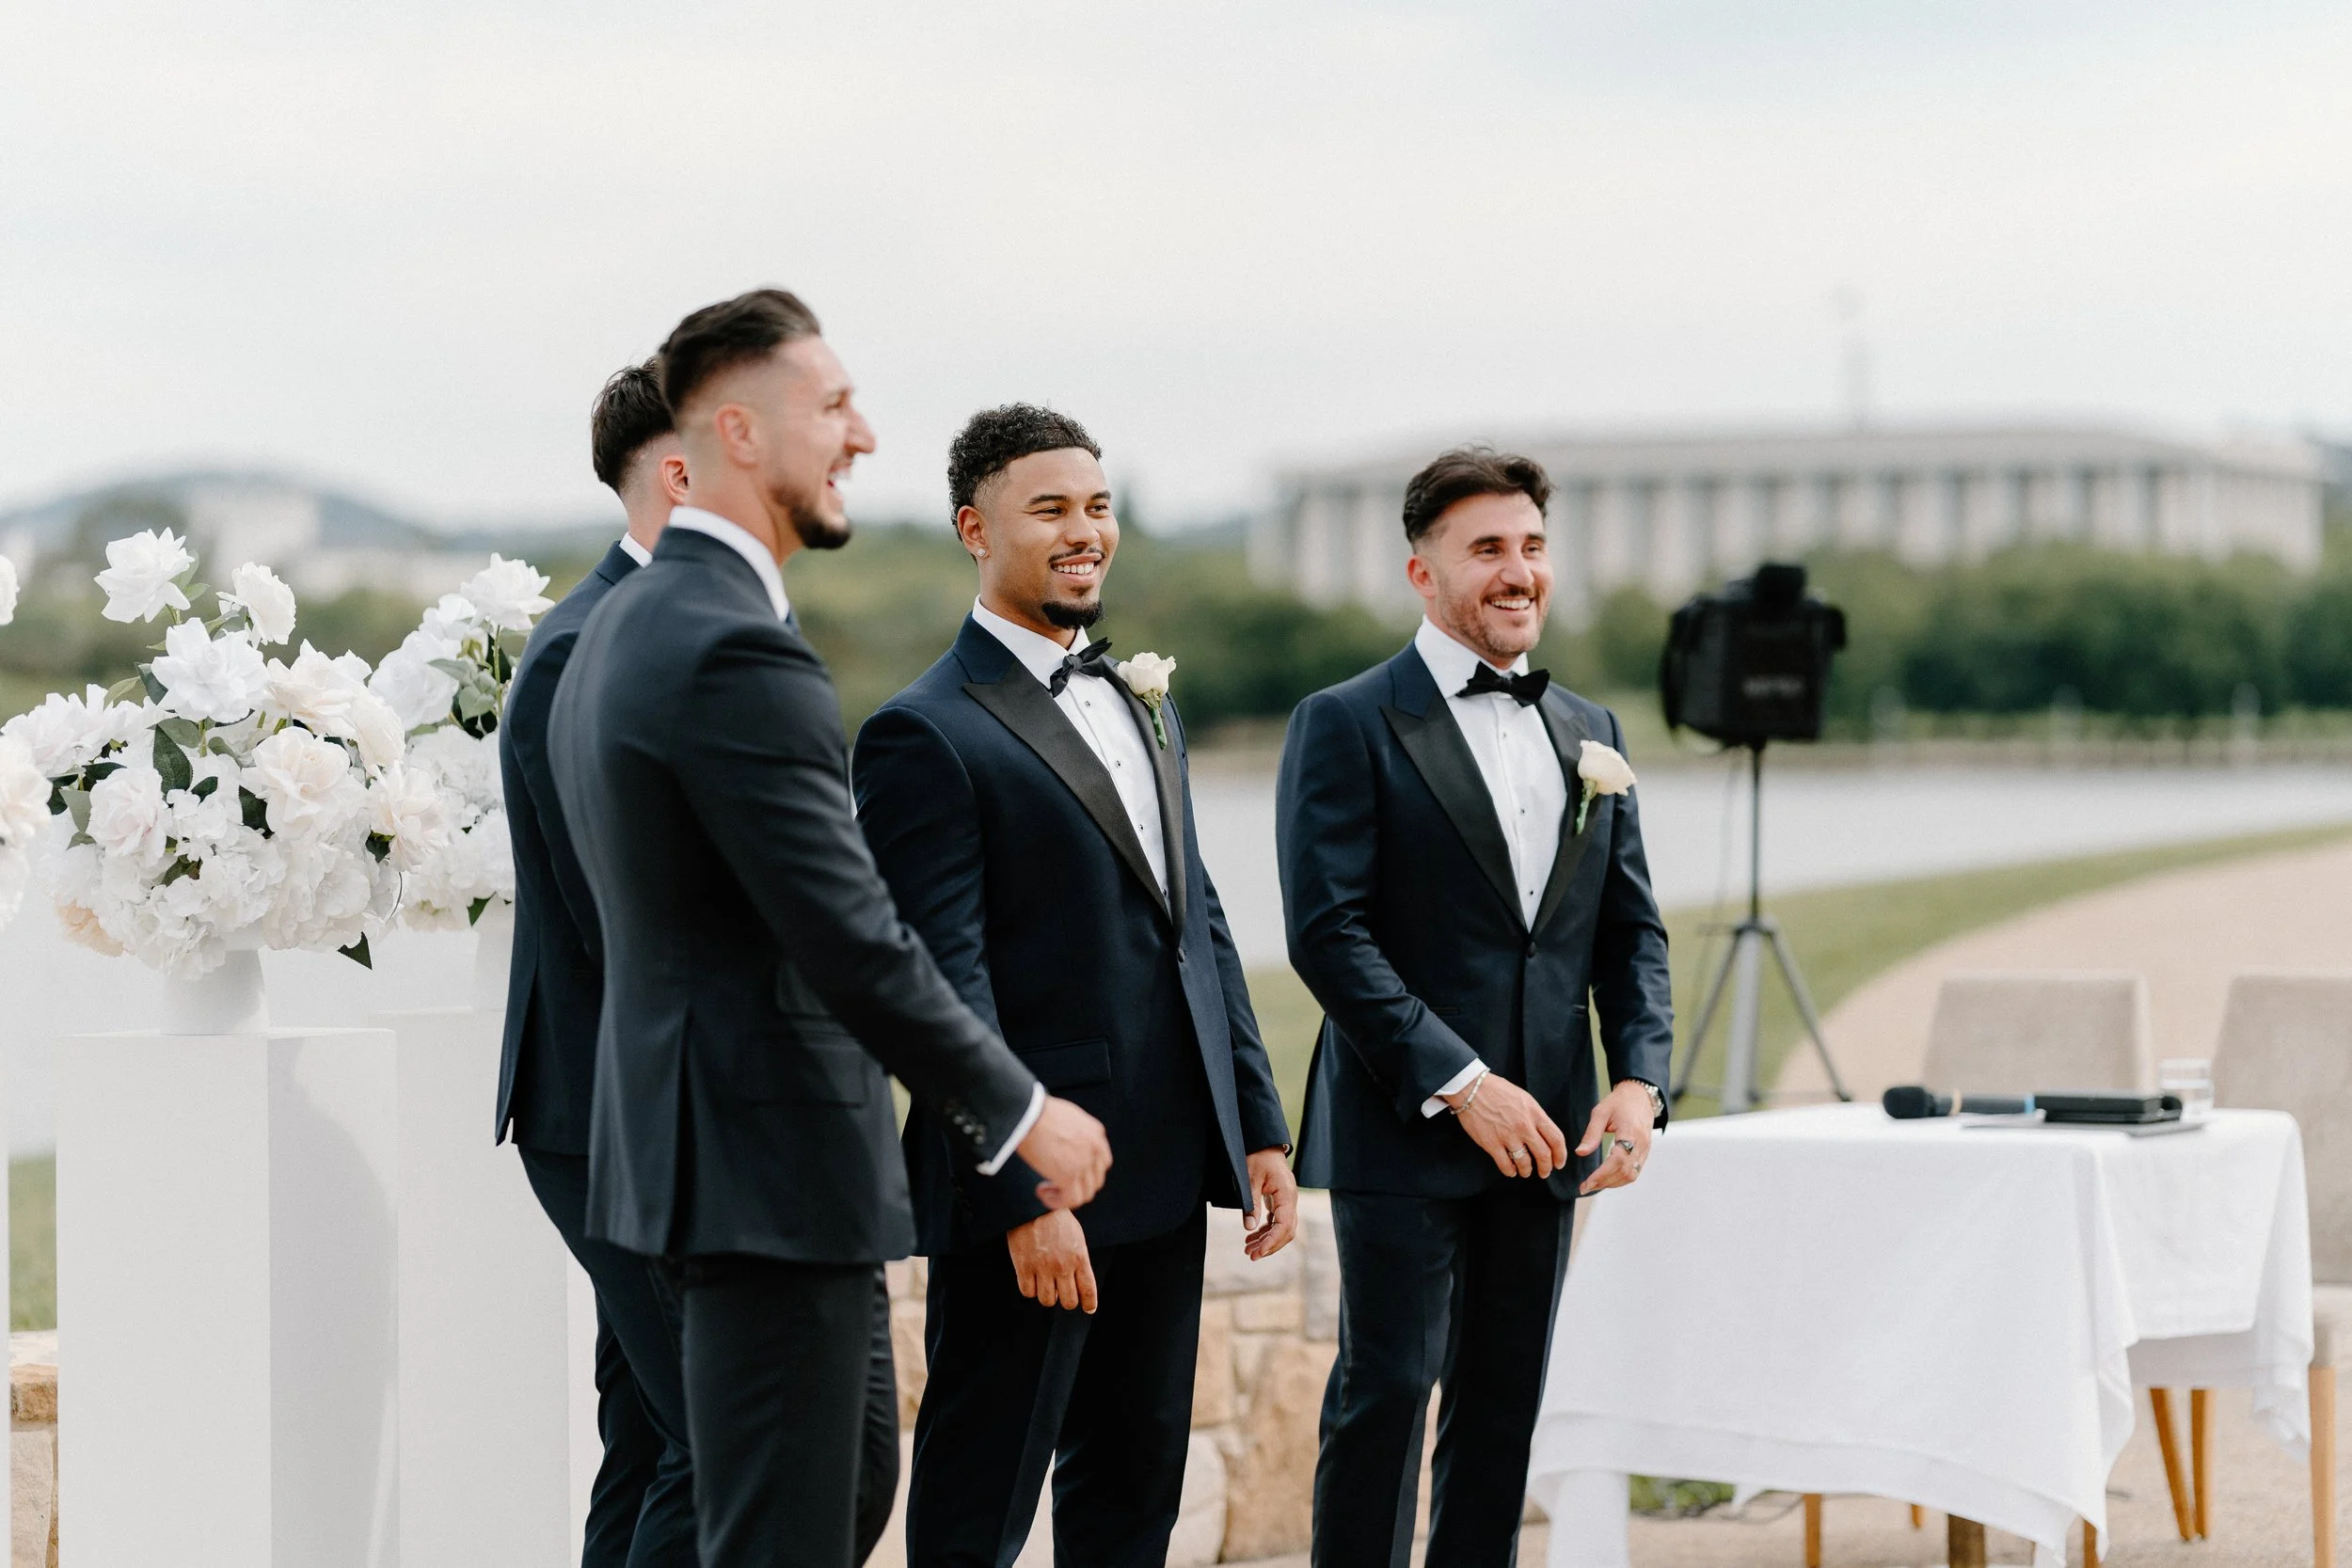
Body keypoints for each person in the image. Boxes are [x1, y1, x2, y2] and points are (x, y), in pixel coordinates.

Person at [548, 290, 1115, 1568]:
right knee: (787, 1529)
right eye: (837, 407)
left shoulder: (632, 620)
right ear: (740, 432)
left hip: (712, 1161)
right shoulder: (730, 645)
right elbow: (847, 928)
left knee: (845, 1485)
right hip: (764, 1167)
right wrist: (1018, 1106)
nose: (862, 435)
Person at [852, 404, 1296, 1567]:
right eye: (1048, 508)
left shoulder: (1145, 699)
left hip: (1162, 1165)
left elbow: (1195, 915)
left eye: (1096, 506)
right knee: (979, 1503)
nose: (1082, 530)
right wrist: (1019, 1198)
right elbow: (940, 988)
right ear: (972, 527)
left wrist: (1253, 1122)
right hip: (1035, 1189)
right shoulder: (921, 733)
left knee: (1133, 1491)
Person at [1277, 447, 1674, 1567]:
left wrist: (1639, 1078)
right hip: (1405, 1120)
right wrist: (1461, 1081)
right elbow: (1326, 933)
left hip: (1550, 1127)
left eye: (1532, 547)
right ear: (1422, 572)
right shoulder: (1344, 720)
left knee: (1503, 1406)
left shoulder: (1591, 728)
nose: (1517, 571)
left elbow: (1627, 932)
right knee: (1388, 1390)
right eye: (1486, 548)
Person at [496, 358, 697, 1566]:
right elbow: (628, 920)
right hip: (618, 1107)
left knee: (650, 1428)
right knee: (717, 1435)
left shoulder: (653, 630)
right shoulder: (589, 652)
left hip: (648, 1105)